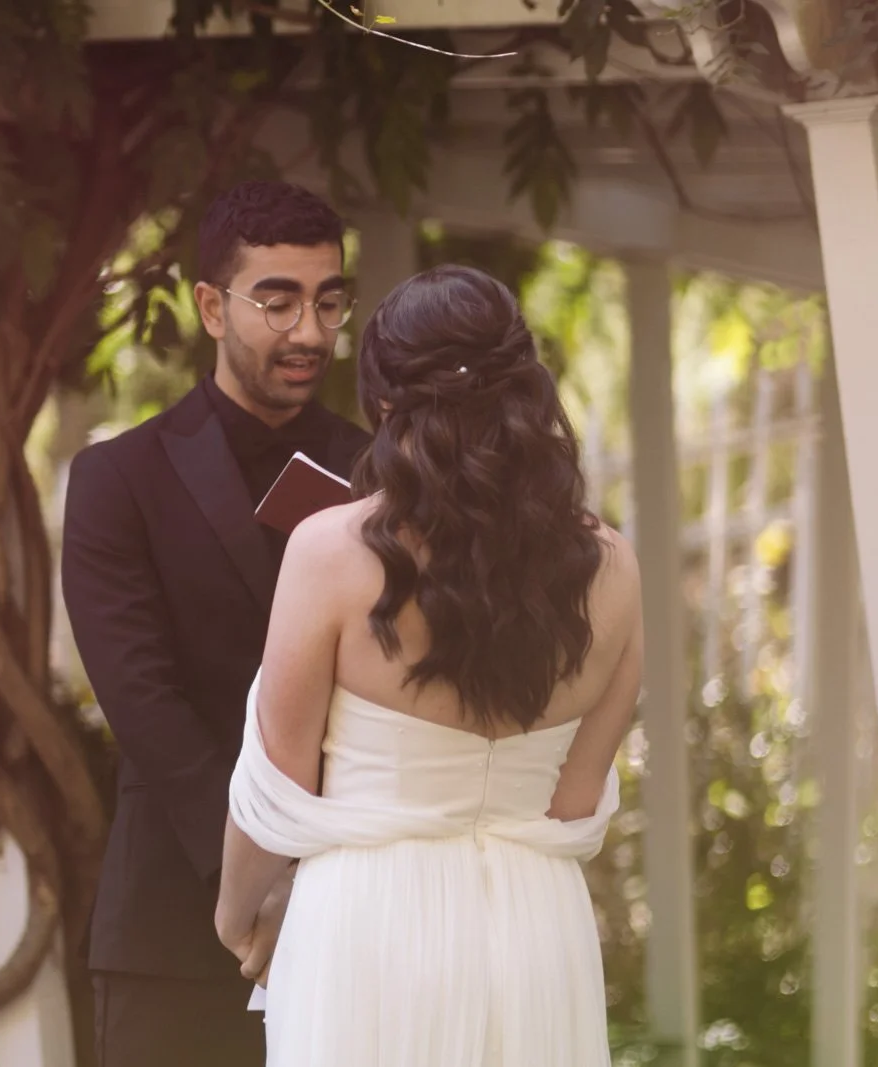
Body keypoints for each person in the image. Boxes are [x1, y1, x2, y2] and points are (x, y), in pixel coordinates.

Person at [215, 264, 643, 1066]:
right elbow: (575, 801)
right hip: (535, 928)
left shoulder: (328, 554)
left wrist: (237, 916)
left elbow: (276, 787)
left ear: (383, 404)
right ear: (525, 388)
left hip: (367, 930)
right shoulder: (612, 566)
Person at [61, 181, 371, 1067]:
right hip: (172, 924)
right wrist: (256, 881)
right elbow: (143, 703)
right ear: (210, 305)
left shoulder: (383, 474)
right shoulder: (118, 481)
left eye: (328, 300)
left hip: (352, 921)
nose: (309, 330)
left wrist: (324, 889)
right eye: (277, 300)